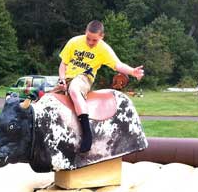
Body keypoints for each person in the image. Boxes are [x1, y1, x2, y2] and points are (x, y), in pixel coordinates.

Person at [58, 20, 144, 153]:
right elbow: (63, 64)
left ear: (101, 37)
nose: (90, 43)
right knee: (46, 99)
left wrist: (132, 71)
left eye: (94, 40)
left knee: (74, 89)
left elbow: (118, 65)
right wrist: (62, 79)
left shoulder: (103, 49)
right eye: (88, 38)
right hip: (67, 78)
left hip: (83, 78)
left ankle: (87, 134)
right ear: (85, 33)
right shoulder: (74, 42)